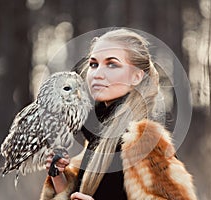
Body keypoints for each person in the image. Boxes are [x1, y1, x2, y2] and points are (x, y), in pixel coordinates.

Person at [40, 28, 197, 200]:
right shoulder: (98, 139)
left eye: (112, 64)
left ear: (136, 77)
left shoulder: (143, 139)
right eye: (94, 64)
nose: (97, 74)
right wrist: (58, 176)